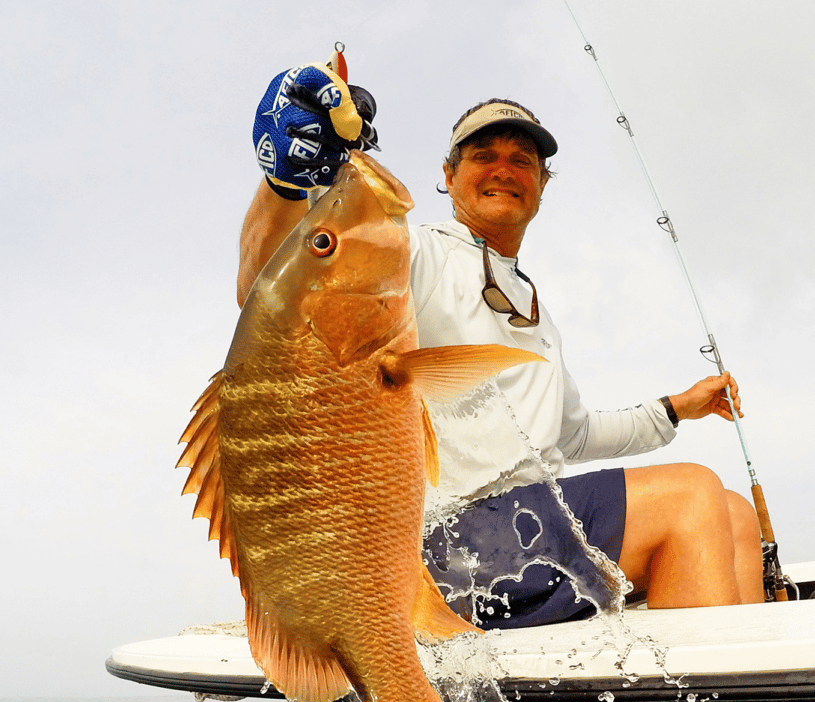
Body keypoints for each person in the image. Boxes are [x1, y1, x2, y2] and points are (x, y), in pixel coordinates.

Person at [237, 64, 764, 627]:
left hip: (532, 525)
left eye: (522, 161)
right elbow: (274, 285)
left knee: (734, 514)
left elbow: (574, 435)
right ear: (449, 174)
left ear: (541, 184)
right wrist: (287, 183)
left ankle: (760, 699)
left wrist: (675, 409)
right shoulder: (416, 252)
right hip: (451, 543)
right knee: (691, 495)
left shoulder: (534, 307)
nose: (504, 170)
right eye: (484, 155)